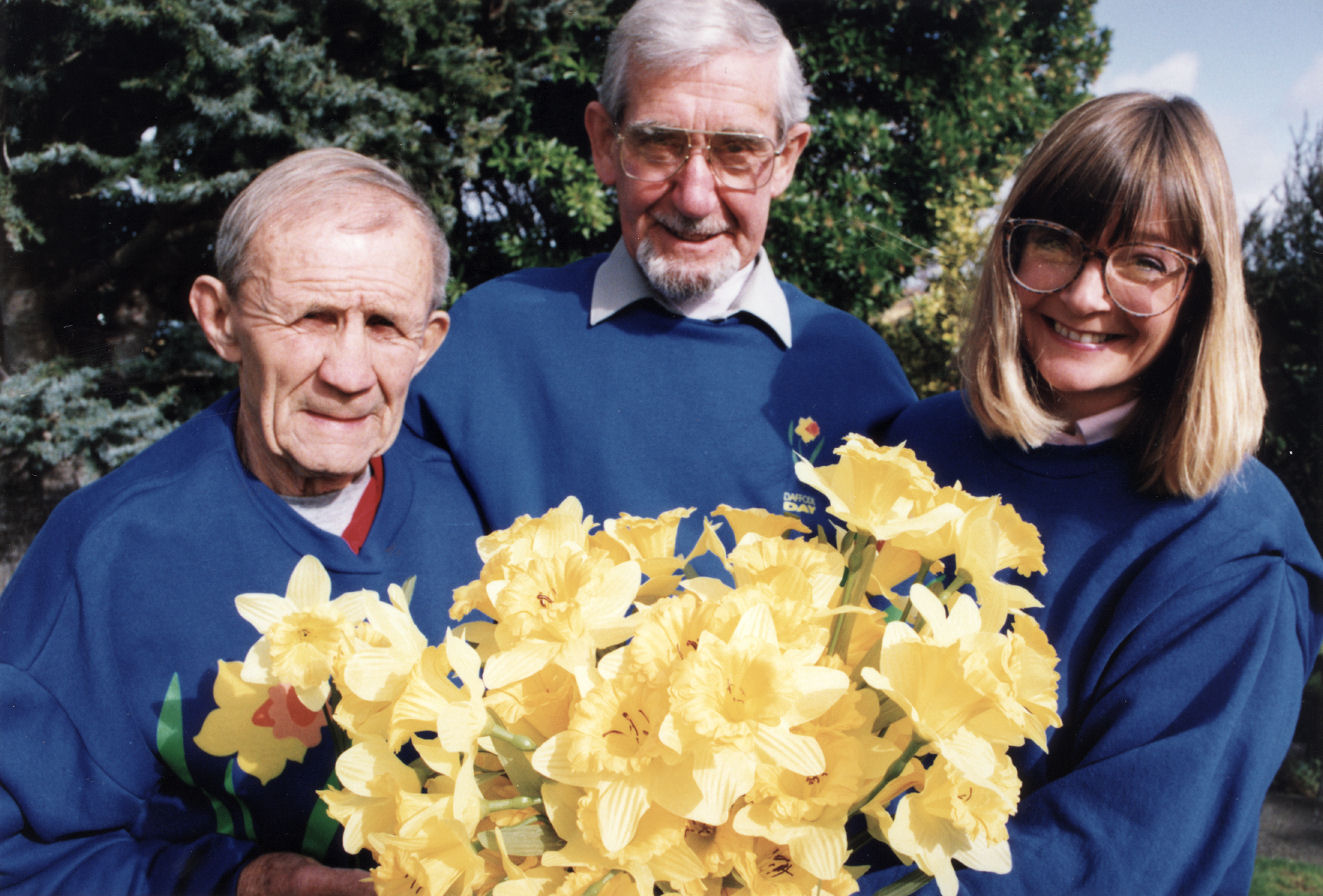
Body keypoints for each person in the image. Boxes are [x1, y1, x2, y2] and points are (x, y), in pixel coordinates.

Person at [860, 93, 1323, 894]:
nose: (1083, 294)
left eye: (1144, 262)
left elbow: (1110, 858)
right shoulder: (919, 445)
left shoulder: (1236, 550)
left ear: (1200, 294)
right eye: (1054, 244)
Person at [0, 148, 484, 895]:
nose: (349, 374)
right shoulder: (111, 550)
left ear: (429, 342)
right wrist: (238, 884)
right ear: (219, 319)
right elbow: (18, 858)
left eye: (384, 325)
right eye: (312, 319)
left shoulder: (485, 513)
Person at [404, 0, 915, 538]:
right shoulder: (485, 345)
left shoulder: (854, 372)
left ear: (785, 160)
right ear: (605, 143)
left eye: (736, 151)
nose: (694, 198)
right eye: (660, 145)